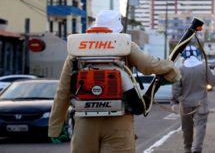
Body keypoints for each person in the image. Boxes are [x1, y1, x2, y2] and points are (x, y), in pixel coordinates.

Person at [48, 10, 181, 153]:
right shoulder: (123, 44)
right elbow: (150, 65)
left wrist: (55, 127)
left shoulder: (77, 49)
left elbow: (63, 91)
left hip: (85, 121)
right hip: (119, 120)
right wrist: (172, 72)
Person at [171, 45, 215, 153]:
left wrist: (174, 101)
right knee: (200, 127)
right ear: (197, 54)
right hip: (201, 103)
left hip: (185, 104)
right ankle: (197, 149)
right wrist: (214, 74)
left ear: (184, 56)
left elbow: (176, 88)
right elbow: (213, 82)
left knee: (187, 128)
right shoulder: (204, 67)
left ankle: (187, 149)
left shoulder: (181, 69)